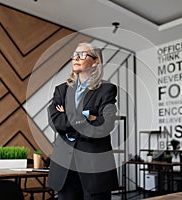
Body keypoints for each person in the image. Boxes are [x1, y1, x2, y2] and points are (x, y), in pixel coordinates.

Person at [47, 42, 119, 200]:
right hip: (65, 165)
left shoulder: (107, 89)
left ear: (95, 61)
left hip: (94, 166)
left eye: (82, 55)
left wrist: (69, 117)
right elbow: (55, 121)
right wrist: (87, 116)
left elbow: (105, 125)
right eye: (74, 55)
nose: (76, 58)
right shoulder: (61, 90)